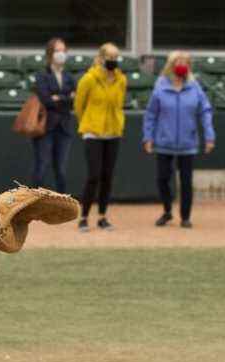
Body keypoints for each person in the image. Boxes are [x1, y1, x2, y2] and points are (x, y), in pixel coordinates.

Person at [142, 50, 215, 228]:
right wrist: (148, 137)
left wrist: (209, 135)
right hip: (164, 141)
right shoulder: (161, 85)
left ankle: (185, 216)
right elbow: (151, 113)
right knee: (162, 179)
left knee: (186, 181)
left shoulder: (194, 86)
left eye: (185, 62)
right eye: (178, 62)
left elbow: (205, 111)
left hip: (187, 143)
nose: (182, 65)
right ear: (171, 65)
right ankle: (167, 211)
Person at [73, 42, 128, 231]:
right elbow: (79, 106)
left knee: (108, 176)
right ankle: (84, 216)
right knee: (93, 175)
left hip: (113, 132)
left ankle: (103, 216)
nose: (113, 61)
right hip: (93, 132)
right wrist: (89, 123)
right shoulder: (89, 79)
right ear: (101, 58)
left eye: (115, 57)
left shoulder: (121, 79)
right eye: (109, 57)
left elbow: (119, 103)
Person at [31, 37, 76, 194]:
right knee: (42, 167)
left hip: (64, 127)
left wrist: (59, 97)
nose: (61, 54)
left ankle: (63, 204)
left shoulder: (70, 77)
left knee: (61, 170)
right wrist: (65, 97)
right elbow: (46, 100)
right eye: (58, 51)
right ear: (50, 53)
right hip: (45, 127)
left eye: (63, 51)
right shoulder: (41, 75)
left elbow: (74, 99)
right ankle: (33, 202)